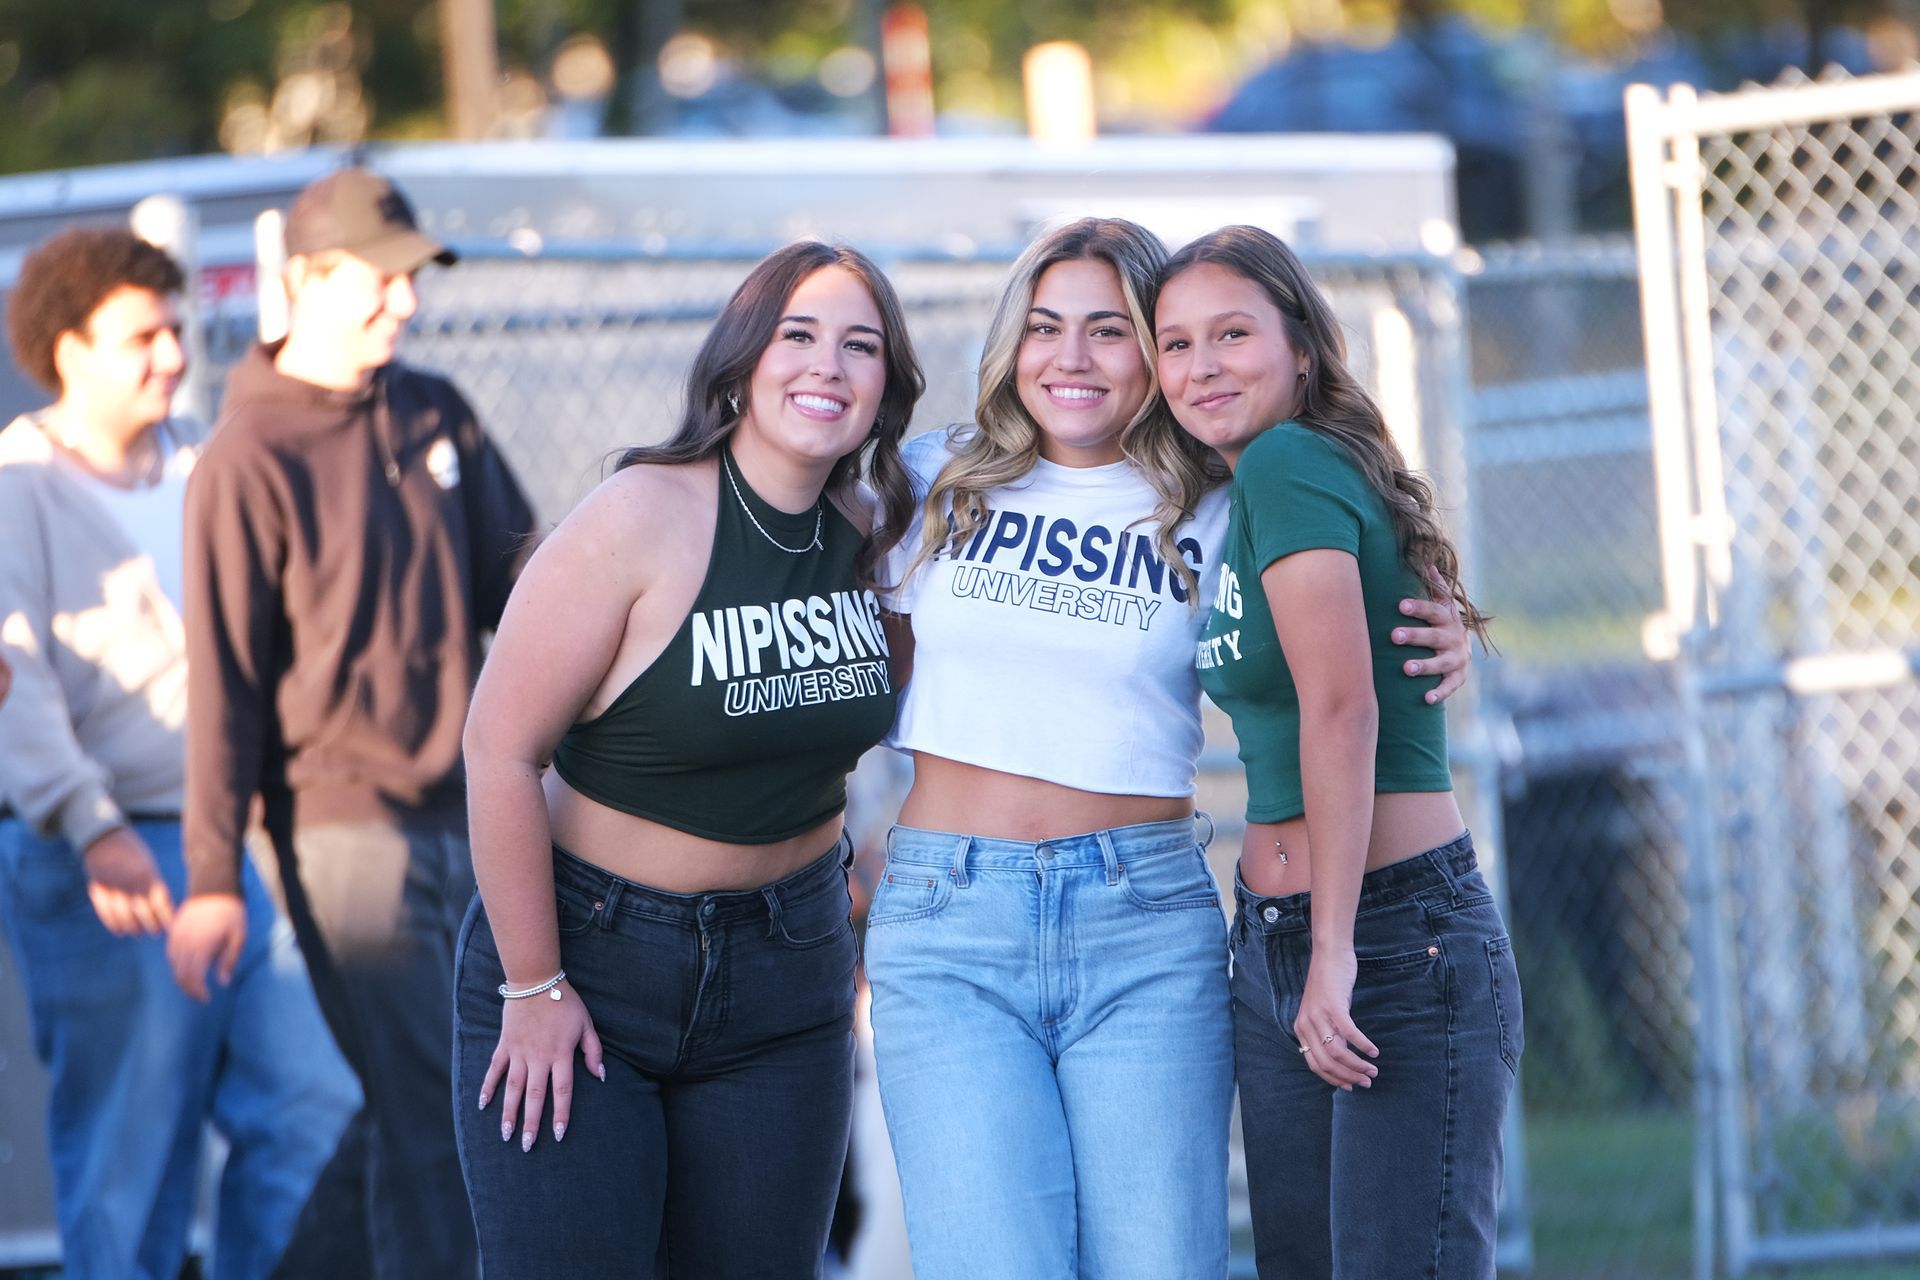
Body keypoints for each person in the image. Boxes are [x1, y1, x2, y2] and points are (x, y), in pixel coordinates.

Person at [865, 217, 1472, 1279]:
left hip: (1140, 922)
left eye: (1110, 330)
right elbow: (843, 640)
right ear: (1013, 344)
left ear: (1151, 355)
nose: (1071, 356)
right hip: (950, 918)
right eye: (1046, 326)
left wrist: (1441, 622)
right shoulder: (934, 480)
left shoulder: (1227, 498)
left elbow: (1340, 620)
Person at [451, 240, 921, 1276]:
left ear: (888, 384)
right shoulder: (639, 515)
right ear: (742, 358)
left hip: (788, 971)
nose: (827, 367)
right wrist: (533, 983)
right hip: (589, 959)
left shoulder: (883, 533)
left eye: (861, 345)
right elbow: (496, 746)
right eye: (797, 335)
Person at [167, 169, 537, 1277]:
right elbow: (223, 680)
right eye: (381, 281)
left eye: (412, 281)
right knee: (445, 1106)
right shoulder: (246, 456)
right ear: (306, 281)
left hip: (468, 813)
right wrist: (212, 874)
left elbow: (521, 590)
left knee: (420, 1098)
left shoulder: (437, 411)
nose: (405, 304)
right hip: (336, 827)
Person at [1155, 224, 1521, 1280]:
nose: (1200, 365)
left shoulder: (1287, 461)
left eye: (1232, 333)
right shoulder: (1231, 498)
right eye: (1174, 344)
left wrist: (1333, 949)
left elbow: (1344, 710)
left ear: (1303, 347)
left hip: (1388, 936)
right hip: (1278, 940)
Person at [0, 226, 356, 1279]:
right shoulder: (16, 486)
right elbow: (10, 680)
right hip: (114, 860)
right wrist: (89, 823)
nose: (171, 355)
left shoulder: (211, 456)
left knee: (313, 1108)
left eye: (176, 331)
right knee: (130, 1164)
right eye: (142, 336)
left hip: (253, 848)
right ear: (67, 349)